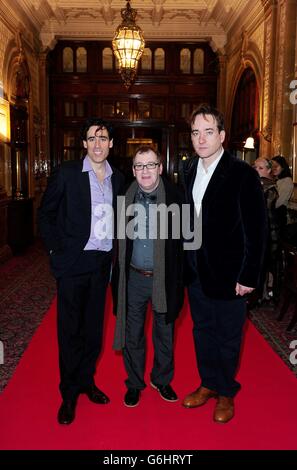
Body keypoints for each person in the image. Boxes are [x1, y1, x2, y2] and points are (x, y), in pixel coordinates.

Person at [181, 104, 267, 423]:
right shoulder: (188, 169)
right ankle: (208, 384)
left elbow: (257, 230)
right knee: (202, 330)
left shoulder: (242, 173)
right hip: (196, 271)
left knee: (228, 335)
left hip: (232, 274)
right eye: (195, 132)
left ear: (221, 135)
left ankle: (226, 392)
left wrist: (249, 275)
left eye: (208, 132)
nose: (201, 139)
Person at [38, 118, 124, 425]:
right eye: (92, 139)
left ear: (111, 144)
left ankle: (87, 381)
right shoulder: (67, 174)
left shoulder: (118, 179)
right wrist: (55, 251)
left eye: (103, 139)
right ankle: (69, 393)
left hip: (102, 267)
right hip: (73, 266)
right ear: (84, 143)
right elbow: (46, 216)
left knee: (93, 333)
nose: (98, 144)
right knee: (69, 332)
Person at [112, 145, 184, 407]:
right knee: (133, 334)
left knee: (164, 333)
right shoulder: (124, 195)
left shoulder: (176, 197)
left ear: (160, 168)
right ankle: (134, 383)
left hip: (163, 279)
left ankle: (162, 380)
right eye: (140, 166)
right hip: (133, 278)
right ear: (133, 170)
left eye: (150, 165)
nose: (145, 171)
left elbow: (186, 243)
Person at [253, 158, 279, 302]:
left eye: (260, 168)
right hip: (258, 229)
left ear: (269, 170)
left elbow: (262, 210)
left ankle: (260, 296)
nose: (256, 170)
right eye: (255, 167)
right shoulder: (257, 183)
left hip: (267, 231)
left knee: (262, 264)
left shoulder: (271, 188)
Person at [271, 155, 294, 231]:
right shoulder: (275, 180)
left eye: (276, 166)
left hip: (279, 217)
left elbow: (279, 202)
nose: (273, 168)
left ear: (283, 167)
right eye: (272, 166)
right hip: (274, 216)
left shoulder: (287, 181)